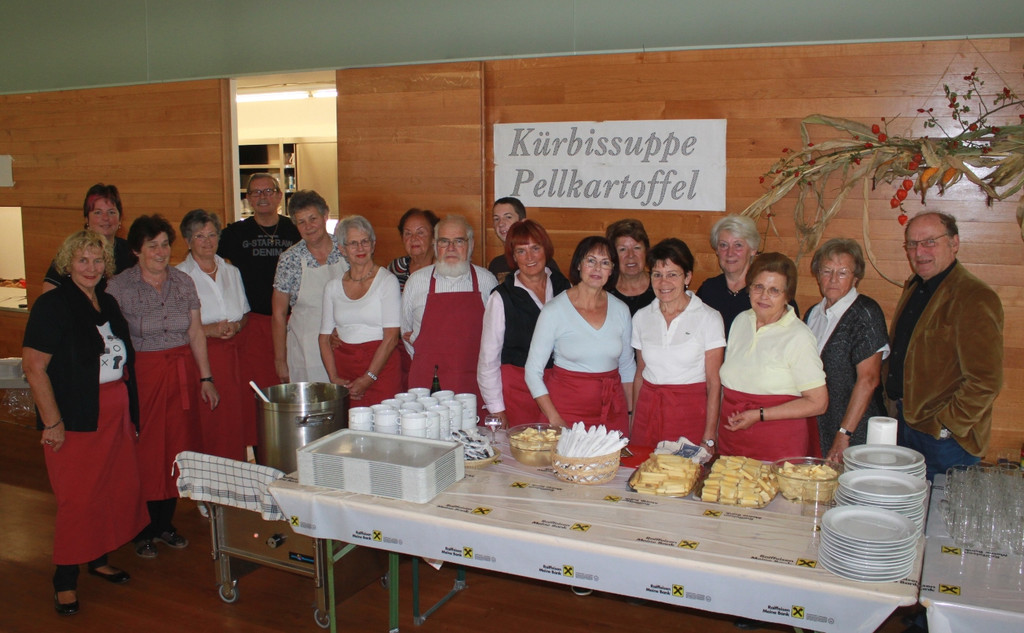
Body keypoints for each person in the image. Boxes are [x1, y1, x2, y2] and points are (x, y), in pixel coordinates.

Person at [23, 230, 148, 616]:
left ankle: (97, 557)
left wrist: (131, 413)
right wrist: (53, 422)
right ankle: (64, 578)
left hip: (113, 413)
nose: (91, 268)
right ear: (67, 264)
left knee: (110, 488)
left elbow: (123, 361)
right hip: (75, 417)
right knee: (77, 499)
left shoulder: (106, 302)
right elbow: (34, 367)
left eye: (97, 261)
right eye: (82, 260)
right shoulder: (52, 305)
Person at [107, 215, 220, 559]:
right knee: (146, 451)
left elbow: (195, 332)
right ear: (136, 251)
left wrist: (206, 378)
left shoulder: (183, 281)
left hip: (181, 373)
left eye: (165, 244)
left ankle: (165, 523)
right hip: (143, 375)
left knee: (177, 448)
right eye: (152, 245)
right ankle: (142, 528)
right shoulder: (119, 287)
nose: (160, 252)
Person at [884, 212, 1003, 480]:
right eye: (912, 244)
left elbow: (986, 380)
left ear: (954, 243)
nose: (919, 252)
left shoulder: (975, 296)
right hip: (904, 424)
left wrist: (947, 425)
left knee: (941, 506)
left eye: (930, 242)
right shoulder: (915, 286)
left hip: (945, 441)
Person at [717, 252, 827, 462]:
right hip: (732, 437)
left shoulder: (799, 336)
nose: (763, 296)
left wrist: (759, 414)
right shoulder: (741, 321)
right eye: (758, 287)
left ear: (787, 296)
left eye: (774, 290)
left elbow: (818, 403)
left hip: (778, 443)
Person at [525, 236, 635, 433]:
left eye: (605, 263)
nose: (597, 268)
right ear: (578, 265)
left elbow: (627, 367)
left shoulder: (621, 310)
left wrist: (629, 414)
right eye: (591, 260)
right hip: (564, 412)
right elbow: (532, 371)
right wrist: (554, 418)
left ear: (612, 270)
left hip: (612, 412)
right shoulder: (554, 310)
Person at [631, 238, 725, 449]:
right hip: (648, 412)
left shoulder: (709, 317)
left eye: (672, 274)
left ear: (688, 277)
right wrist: (634, 423)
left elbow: (714, 383)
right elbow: (640, 374)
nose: (664, 283)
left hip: (689, 414)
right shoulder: (641, 317)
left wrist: (710, 435)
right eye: (657, 275)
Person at [177, 209, 254, 461]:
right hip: (200, 359)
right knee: (208, 423)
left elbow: (244, 314)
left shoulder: (232, 271)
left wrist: (236, 326)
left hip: (233, 357)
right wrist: (209, 330)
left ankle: (234, 475)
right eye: (200, 236)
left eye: (212, 235)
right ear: (188, 241)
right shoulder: (179, 276)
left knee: (233, 423)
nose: (207, 241)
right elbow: (176, 327)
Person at [478, 220, 571, 427]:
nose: (529, 257)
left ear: (546, 250)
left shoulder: (564, 286)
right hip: (519, 393)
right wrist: (497, 409)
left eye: (535, 248)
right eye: (521, 251)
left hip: (560, 387)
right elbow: (488, 360)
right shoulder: (501, 297)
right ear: (513, 256)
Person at [401, 215, 498, 412]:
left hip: (474, 384)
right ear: (435, 245)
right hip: (427, 386)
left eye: (459, 241)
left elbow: (496, 337)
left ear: (470, 245)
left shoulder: (487, 281)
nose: (451, 248)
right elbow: (406, 333)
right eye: (444, 241)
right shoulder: (416, 282)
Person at [805, 238, 889, 461]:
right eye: (826, 271)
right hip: (818, 423)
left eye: (842, 273)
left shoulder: (866, 313)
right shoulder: (813, 314)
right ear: (817, 275)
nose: (833, 279)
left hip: (854, 430)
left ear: (856, 277)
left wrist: (844, 434)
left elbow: (869, 380)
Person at [218, 173, 301, 390]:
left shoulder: (296, 230)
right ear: (248, 198)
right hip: (253, 322)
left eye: (268, 191)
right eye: (256, 192)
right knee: (259, 384)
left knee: (293, 382)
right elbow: (205, 259)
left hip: (293, 321)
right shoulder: (235, 233)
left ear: (280, 196)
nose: (262, 197)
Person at [319, 215, 402, 406]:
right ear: (342, 249)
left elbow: (391, 338)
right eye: (353, 243)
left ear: (373, 245)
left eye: (365, 241)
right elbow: (324, 338)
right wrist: (333, 378)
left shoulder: (387, 281)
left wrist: (369, 377)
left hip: (382, 370)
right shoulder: (332, 287)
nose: (360, 248)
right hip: (345, 373)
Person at [272, 190, 348, 384]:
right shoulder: (289, 259)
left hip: (346, 345)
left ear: (325, 216)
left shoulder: (346, 249)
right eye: (301, 222)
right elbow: (279, 314)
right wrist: (280, 360)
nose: (309, 226)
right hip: (306, 350)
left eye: (313, 219)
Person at [42, 184, 137, 292]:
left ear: (120, 219)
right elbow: (48, 295)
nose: (105, 218)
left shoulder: (132, 252)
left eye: (111, 212)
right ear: (87, 219)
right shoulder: (71, 251)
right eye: (98, 212)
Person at [606, 218, 656, 316]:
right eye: (622, 249)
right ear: (613, 255)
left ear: (646, 251)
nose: (631, 255)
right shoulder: (604, 290)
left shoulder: (661, 285)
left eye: (637, 248)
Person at [387, 208, 440, 292]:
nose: (413, 238)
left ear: (434, 237)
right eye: (408, 233)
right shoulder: (397, 267)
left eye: (420, 232)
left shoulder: (443, 269)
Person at [487, 197, 527, 283]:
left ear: (522, 222)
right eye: (496, 219)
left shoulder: (539, 260)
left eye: (508, 217)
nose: (501, 223)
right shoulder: (496, 264)